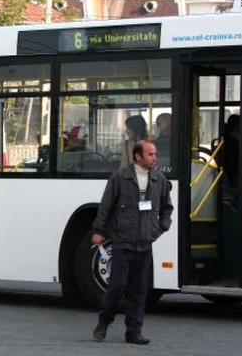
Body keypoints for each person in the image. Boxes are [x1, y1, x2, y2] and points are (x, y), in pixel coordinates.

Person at [91, 140, 173, 345]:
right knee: (116, 287)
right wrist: (99, 231)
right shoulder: (120, 177)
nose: (155, 158)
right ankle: (104, 321)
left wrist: (161, 228)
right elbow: (106, 206)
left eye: (155, 154)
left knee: (139, 290)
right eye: (151, 154)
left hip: (145, 244)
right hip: (122, 241)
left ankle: (134, 331)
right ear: (138, 157)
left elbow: (167, 208)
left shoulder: (159, 180)